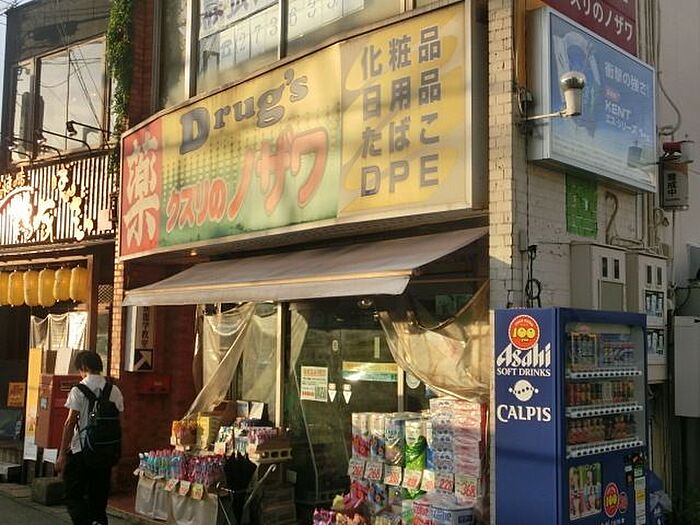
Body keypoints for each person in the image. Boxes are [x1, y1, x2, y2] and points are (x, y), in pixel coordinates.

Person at [55, 351, 124, 525]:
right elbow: (119, 421)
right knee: (99, 499)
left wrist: (62, 454)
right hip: (105, 451)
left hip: (81, 451)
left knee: (73, 495)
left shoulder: (78, 390)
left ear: (84, 367)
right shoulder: (114, 390)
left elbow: (70, 423)